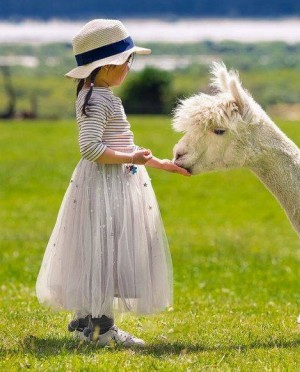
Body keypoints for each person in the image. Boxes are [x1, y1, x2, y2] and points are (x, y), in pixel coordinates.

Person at [36, 19, 190, 347]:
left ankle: (86, 324)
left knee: (99, 249)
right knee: (104, 251)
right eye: (127, 61)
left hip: (111, 182)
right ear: (107, 67)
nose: (130, 68)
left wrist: (159, 163)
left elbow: (119, 143)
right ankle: (101, 330)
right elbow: (91, 149)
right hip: (105, 186)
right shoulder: (99, 100)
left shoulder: (96, 95)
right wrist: (130, 161)